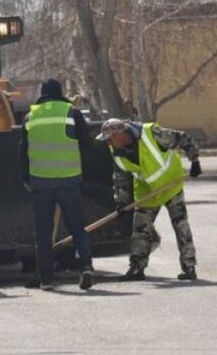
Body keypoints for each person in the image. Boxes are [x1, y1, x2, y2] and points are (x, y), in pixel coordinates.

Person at [98, 117, 202, 281]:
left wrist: (194, 159)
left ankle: (189, 266)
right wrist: (121, 202)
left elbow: (182, 138)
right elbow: (120, 178)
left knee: (181, 225)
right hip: (147, 191)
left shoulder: (151, 133)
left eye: (110, 139)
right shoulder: (116, 151)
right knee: (140, 230)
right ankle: (137, 268)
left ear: (120, 134)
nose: (109, 144)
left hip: (170, 185)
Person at [20, 78, 95, 291]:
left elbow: (22, 152)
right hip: (69, 180)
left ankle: (46, 279)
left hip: (40, 182)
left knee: (43, 232)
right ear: (60, 92)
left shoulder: (30, 117)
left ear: (42, 94)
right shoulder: (72, 113)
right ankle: (86, 266)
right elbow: (87, 145)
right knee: (77, 227)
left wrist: (26, 178)